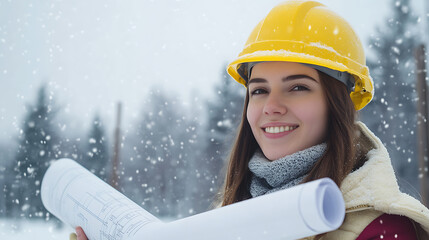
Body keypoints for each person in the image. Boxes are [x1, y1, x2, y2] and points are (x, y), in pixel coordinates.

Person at [72, 0, 429, 239]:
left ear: (338, 105)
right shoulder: (229, 216)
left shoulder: (381, 229)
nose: (271, 106)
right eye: (258, 90)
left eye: (298, 87)